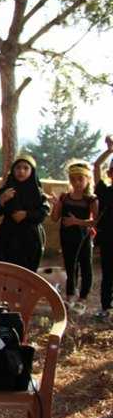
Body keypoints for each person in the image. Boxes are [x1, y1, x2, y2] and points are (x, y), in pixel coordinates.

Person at [49, 160, 97, 316]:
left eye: (80, 179)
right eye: (73, 179)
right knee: (70, 266)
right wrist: (56, 205)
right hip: (67, 237)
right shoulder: (65, 197)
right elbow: (54, 218)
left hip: (83, 238)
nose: (76, 183)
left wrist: (77, 222)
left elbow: (96, 221)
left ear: (87, 179)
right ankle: (70, 297)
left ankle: (82, 299)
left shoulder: (91, 200)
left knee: (86, 266)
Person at [0, 154, 50, 272]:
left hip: (31, 238)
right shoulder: (6, 190)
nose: (21, 171)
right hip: (8, 237)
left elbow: (44, 212)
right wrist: (1, 200)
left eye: (25, 168)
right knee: (5, 271)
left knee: (27, 274)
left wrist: (26, 214)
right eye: (18, 167)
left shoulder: (38, 193)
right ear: (13, 170)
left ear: (32, 171)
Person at [93, 136, 113, 321]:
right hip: (109, 239)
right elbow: (96, 166)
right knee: (107, 274)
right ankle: (106, 307)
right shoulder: (105, 191)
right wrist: (109, 151)